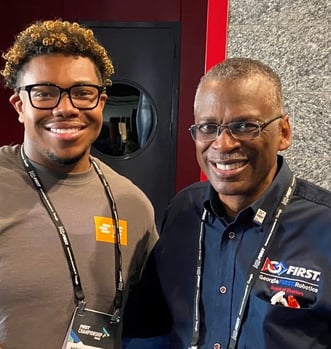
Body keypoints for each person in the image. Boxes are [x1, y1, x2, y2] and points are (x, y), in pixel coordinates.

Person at [124, 57, 331, 348]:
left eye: (244, 125)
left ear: (284, 132)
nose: (223, 144)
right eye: (208, 127)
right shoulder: (185, 210)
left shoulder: (324, 227)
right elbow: (150, 324)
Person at [0, 19, 158, 349]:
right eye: (44, 93)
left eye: (82, 93)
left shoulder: (132, 204)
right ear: (19, 106)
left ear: (100, 102)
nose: (65, 108)